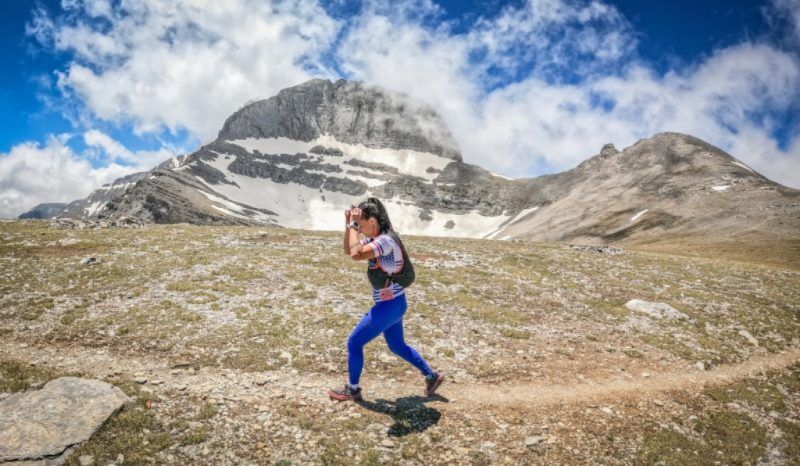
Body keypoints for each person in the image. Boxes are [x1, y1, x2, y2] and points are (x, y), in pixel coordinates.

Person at [328, 197, 444, 401]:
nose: (361, 231)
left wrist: (354, 224)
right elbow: (349, 249)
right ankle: (432, 377)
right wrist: (350, 226)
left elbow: (356, 255)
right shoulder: (377, 239)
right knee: (397, 346)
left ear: (372, 221)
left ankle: (353, 389)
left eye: (362, 226)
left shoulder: (386, 241)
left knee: (354, 342)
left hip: (390, 305)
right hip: (394, 304)